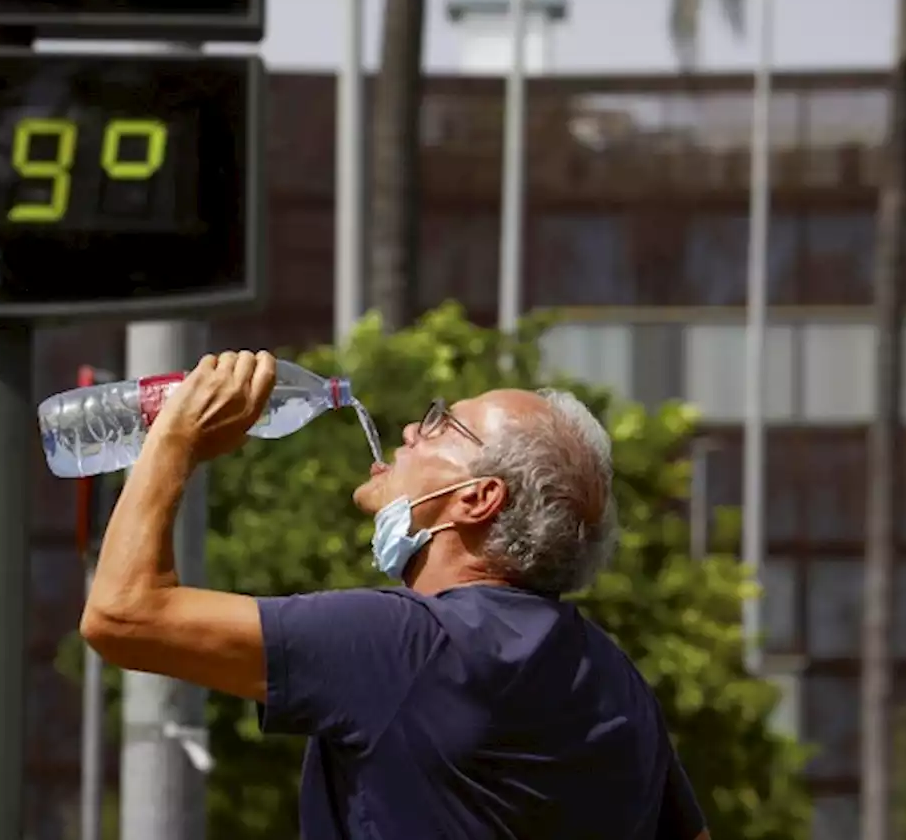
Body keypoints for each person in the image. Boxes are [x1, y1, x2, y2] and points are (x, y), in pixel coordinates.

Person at [81, 350, 709, 840]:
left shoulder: (403, 645)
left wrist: (172, 439)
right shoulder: (614, 679)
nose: (411, 428)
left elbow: (122, 613)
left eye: (442, 425)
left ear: (477, 498)